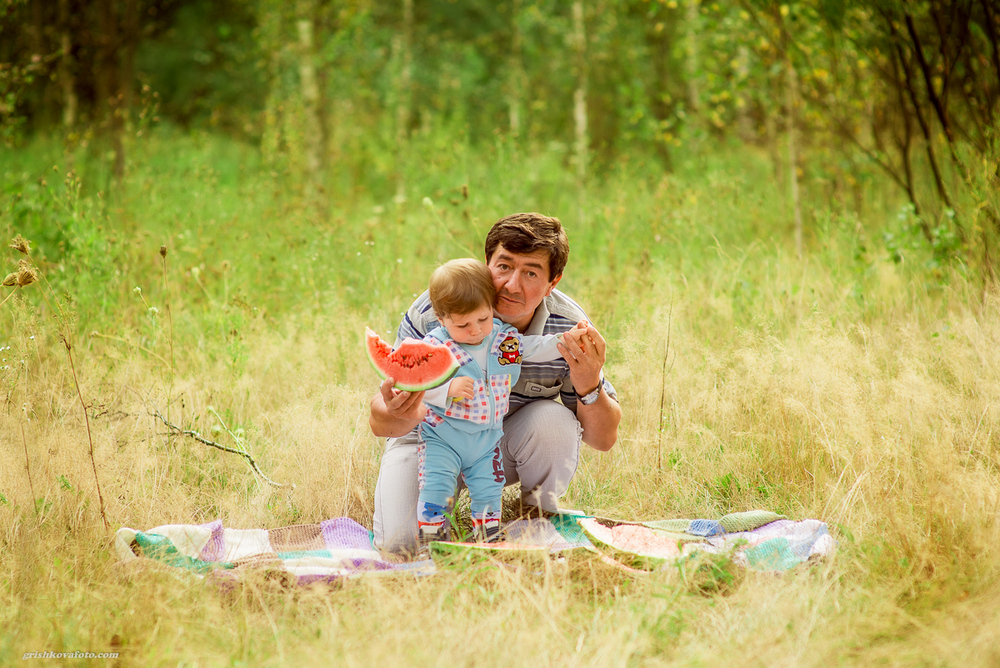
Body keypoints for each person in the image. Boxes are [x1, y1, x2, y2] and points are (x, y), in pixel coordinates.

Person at [370, 212, 621, 554]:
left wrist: (589, 384)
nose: (511, 285)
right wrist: (400, 407)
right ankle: (435, 524)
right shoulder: (437, 310)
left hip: (498, 446)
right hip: (432, 442)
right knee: (400, 545)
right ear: (486, 262)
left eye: (531, 272)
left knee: (555, 420)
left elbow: (603, 440)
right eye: (503, 266)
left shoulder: (568, 327)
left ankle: (534, 515)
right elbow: (380, 424)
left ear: (553, 282)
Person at [411, 258, 589, 544]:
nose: (475, 330)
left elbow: (534, 347)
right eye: (462, 324)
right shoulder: (435, 346)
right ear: (442, 319)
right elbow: (412, 385)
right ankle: (431, 538)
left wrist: (567, 341)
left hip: (487, 438)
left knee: (488, 488)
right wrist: (445, 389)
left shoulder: (501, 339)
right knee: (436, 487)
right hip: (444, 438)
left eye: (482, 319)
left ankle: (486, 536)